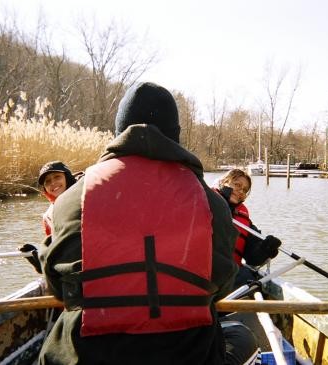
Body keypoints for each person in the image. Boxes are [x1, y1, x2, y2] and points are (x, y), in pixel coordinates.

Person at [37, 82, 259, 365]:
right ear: (174, 135)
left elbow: (58, 289)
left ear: (118, 131)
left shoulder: (70, 200)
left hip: (89, 357)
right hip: (187, 356)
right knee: (243, 338)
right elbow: (223, 287)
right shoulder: (212, 203)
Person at [214, 169, 282, 288]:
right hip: (202, 272)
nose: (241, 191)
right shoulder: (205, 202)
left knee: (261, 283)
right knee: (246, 277)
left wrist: (265, 249)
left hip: (229, 276)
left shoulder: (243, 218)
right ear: (224, 182)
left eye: (245, 190)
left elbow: (252, 258)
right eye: (237, 185)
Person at [20, 161, 77, 273]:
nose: (53, 183)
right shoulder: (48, 216)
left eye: (57, 177)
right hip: (69, 270)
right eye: (47, 181)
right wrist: (40, 257)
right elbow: (55, 246)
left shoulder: (86, 198)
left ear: (68, 178)